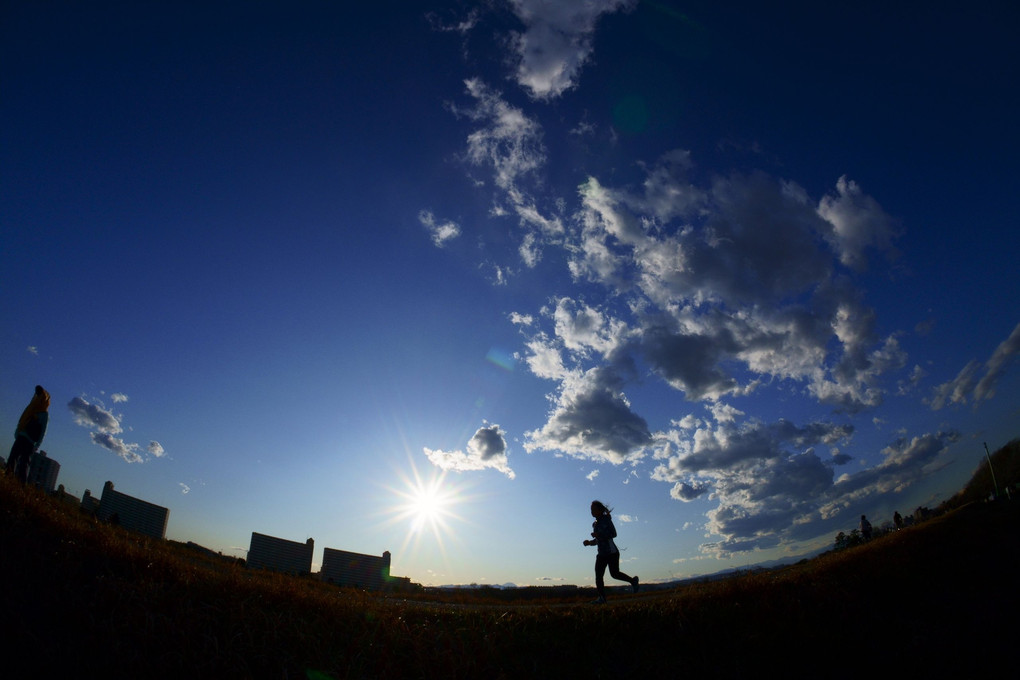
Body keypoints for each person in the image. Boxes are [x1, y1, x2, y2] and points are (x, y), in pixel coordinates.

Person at [583, 500, 639, 603]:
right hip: (601, 554)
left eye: (594, 509)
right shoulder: (595, 524)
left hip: (611, 552)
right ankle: (602, 598)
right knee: (598, 576)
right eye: (591, 510)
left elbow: (613, 534)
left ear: (600, 510)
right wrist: (589, 543)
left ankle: (633, 581)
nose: (592, 511)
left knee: (615, 574)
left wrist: (599, 535)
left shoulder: (606, 520)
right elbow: (597, 541)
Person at [6, 385, 49, 483]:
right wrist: (18, 432)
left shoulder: (44, 414)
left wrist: (37, 445)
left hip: (30, 442)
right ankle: (8, 480)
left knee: (24, 464)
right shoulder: (31, 407)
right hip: (21, 436)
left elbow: (43, 431)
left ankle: (21, 486)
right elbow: (23, 420)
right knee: (12, 459)